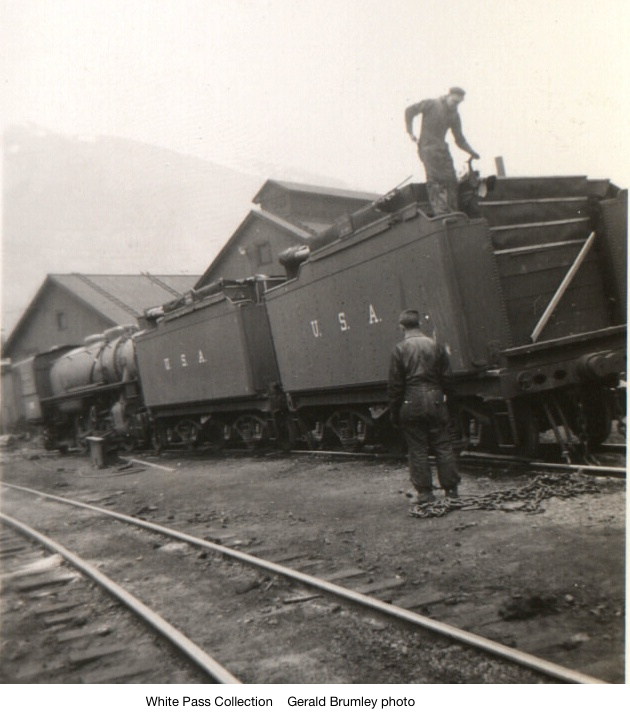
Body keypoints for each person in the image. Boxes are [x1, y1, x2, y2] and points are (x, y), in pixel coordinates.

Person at [387, 309, 461, 504]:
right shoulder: (436, 346)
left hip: (410, 403)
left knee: (417, 449)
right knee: (443, 446)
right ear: (419, 324)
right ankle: (451, 491)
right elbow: (448, 379)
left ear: (401, 327)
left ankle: (425, 494)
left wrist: (394, 411)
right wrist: (450, 407)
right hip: (435, 400)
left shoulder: (399, 349)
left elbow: (395, 386)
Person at [405, 87, 480, 215]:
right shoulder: (431, 104)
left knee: (451, 180)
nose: (456, 105)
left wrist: (471, 151)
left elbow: (459, 139)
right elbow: (409, 111)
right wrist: (410, 132)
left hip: (442, 149)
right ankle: (441, 214)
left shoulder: (454, 115)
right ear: (448, 96)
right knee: (436, 181)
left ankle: (453, 213)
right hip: (428, 148)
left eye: (459, 103)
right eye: (454, 102)